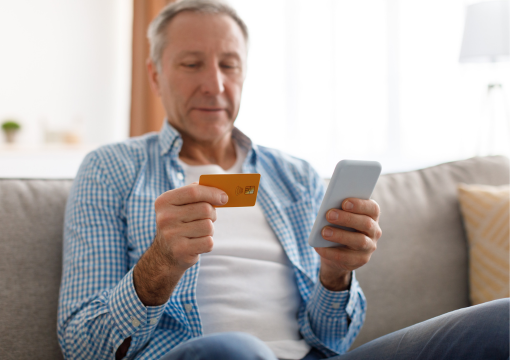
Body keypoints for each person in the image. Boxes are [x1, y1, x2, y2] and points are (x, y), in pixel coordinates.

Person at [57, 1, 509, 359]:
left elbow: (334, 340)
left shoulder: (294, 176)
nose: (214, 84)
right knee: (237, 349)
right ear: (156, 75)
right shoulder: (111, 169)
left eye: (229, 65)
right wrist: (161, 262)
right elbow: (83, 346)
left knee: (501, 320)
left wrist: (335, 276)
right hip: (209, 355)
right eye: (192, 63)